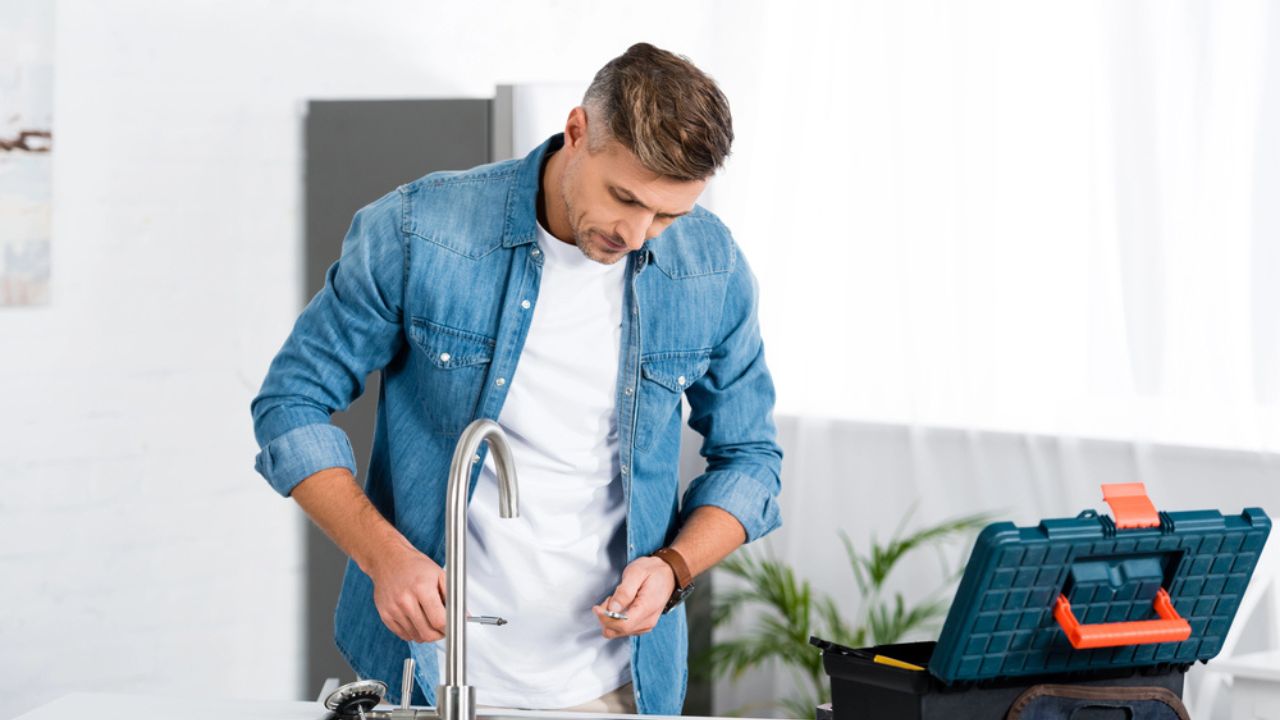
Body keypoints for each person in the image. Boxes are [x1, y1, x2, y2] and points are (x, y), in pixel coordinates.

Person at [250, 42, 782, 716]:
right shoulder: (421, 231)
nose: (639, 233)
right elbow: (291, 403)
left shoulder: (712, 266)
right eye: (624, 197)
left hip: (617, 688)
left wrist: (674, 568)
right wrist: (383, 555)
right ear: (577, 131)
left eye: (667, 214)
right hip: (425, 675)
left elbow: (752, 458)